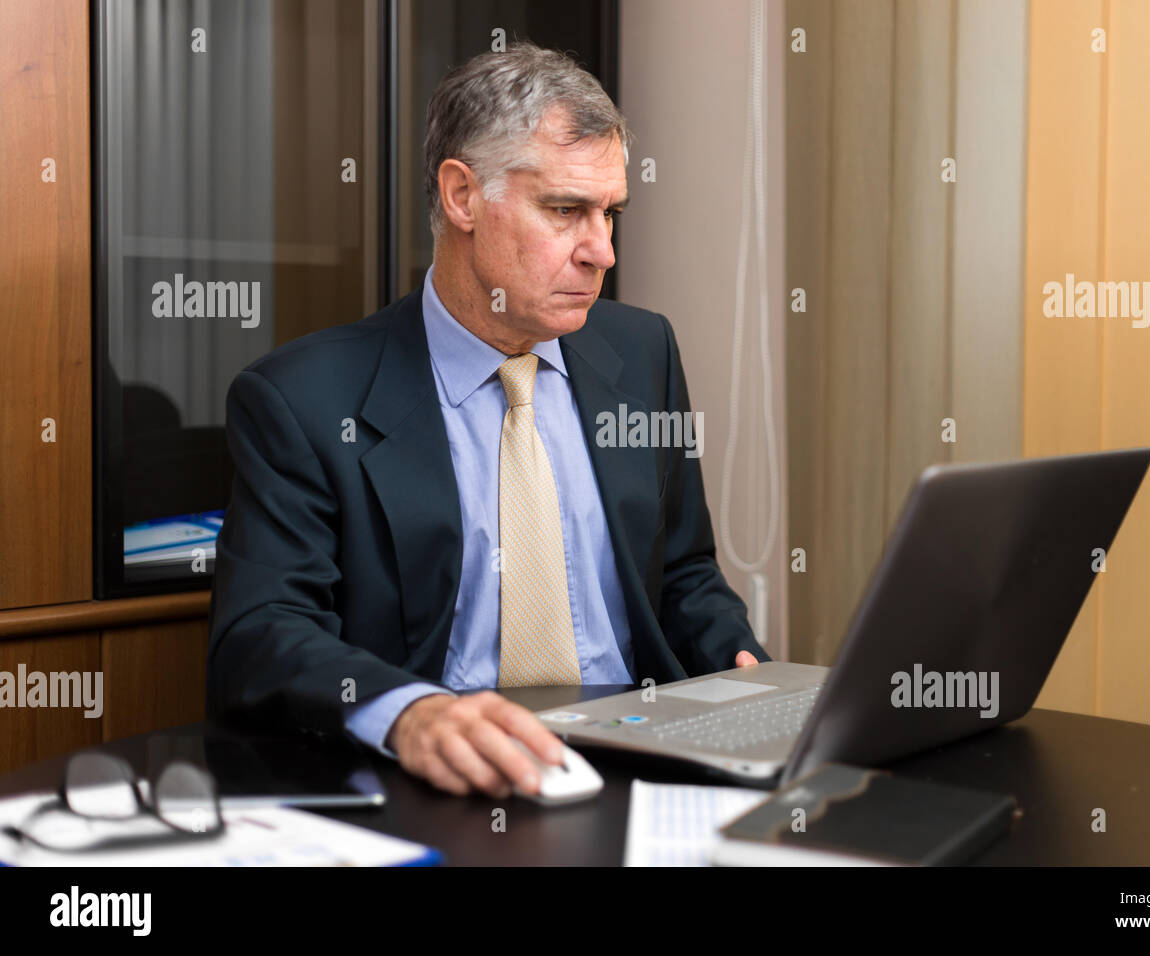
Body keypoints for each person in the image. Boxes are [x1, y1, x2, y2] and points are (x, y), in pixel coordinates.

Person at [207, 41, 768, 800]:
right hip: (446, 777)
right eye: (565, 210)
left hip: (640, 764)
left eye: (610, 214)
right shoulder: (304, 399)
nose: (601, 251)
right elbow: (261, 633)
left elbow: (686, 572)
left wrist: (746, 674)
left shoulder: (643, 354)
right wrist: (411, 713)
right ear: (463, 196)